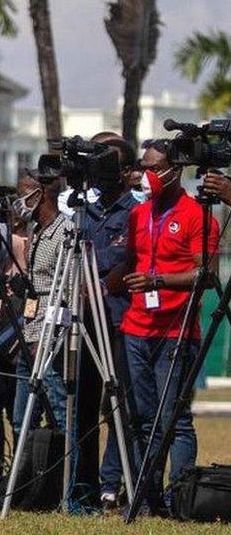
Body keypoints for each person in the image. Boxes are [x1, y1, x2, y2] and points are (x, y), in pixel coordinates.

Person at [107, 140, 219, 513]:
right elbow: (130, 261)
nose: (146, 174)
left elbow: (206, 275)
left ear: (176, 170)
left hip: (176, 332)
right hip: (137, 328)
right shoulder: (139, 215)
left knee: (174, 420)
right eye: (144, 166)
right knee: (140, 418)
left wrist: (158, 282)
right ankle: (145, 498)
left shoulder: (197, 216)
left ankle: (180, 499)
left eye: (154, 168)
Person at [76, 133, 138, 510]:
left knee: (118, 404)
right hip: (82, 321)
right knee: (81, 402)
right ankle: (80, 483)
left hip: (117, 319)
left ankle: (111, 481)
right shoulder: (83, 210)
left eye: (106, 164)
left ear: (125, 171)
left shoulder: (136, 211)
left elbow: (129, 261)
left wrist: (100, 283)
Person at [10, 173, 73, 447]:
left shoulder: (66, 231)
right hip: (30, 329)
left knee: (59, 411)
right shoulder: (35, 230)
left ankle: (65, 480)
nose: (17, 203)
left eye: (22, 195)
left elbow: (69, 291)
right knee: (21, 419)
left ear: (39, 195)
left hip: (49, 336)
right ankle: (23, 483)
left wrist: (50, 338)